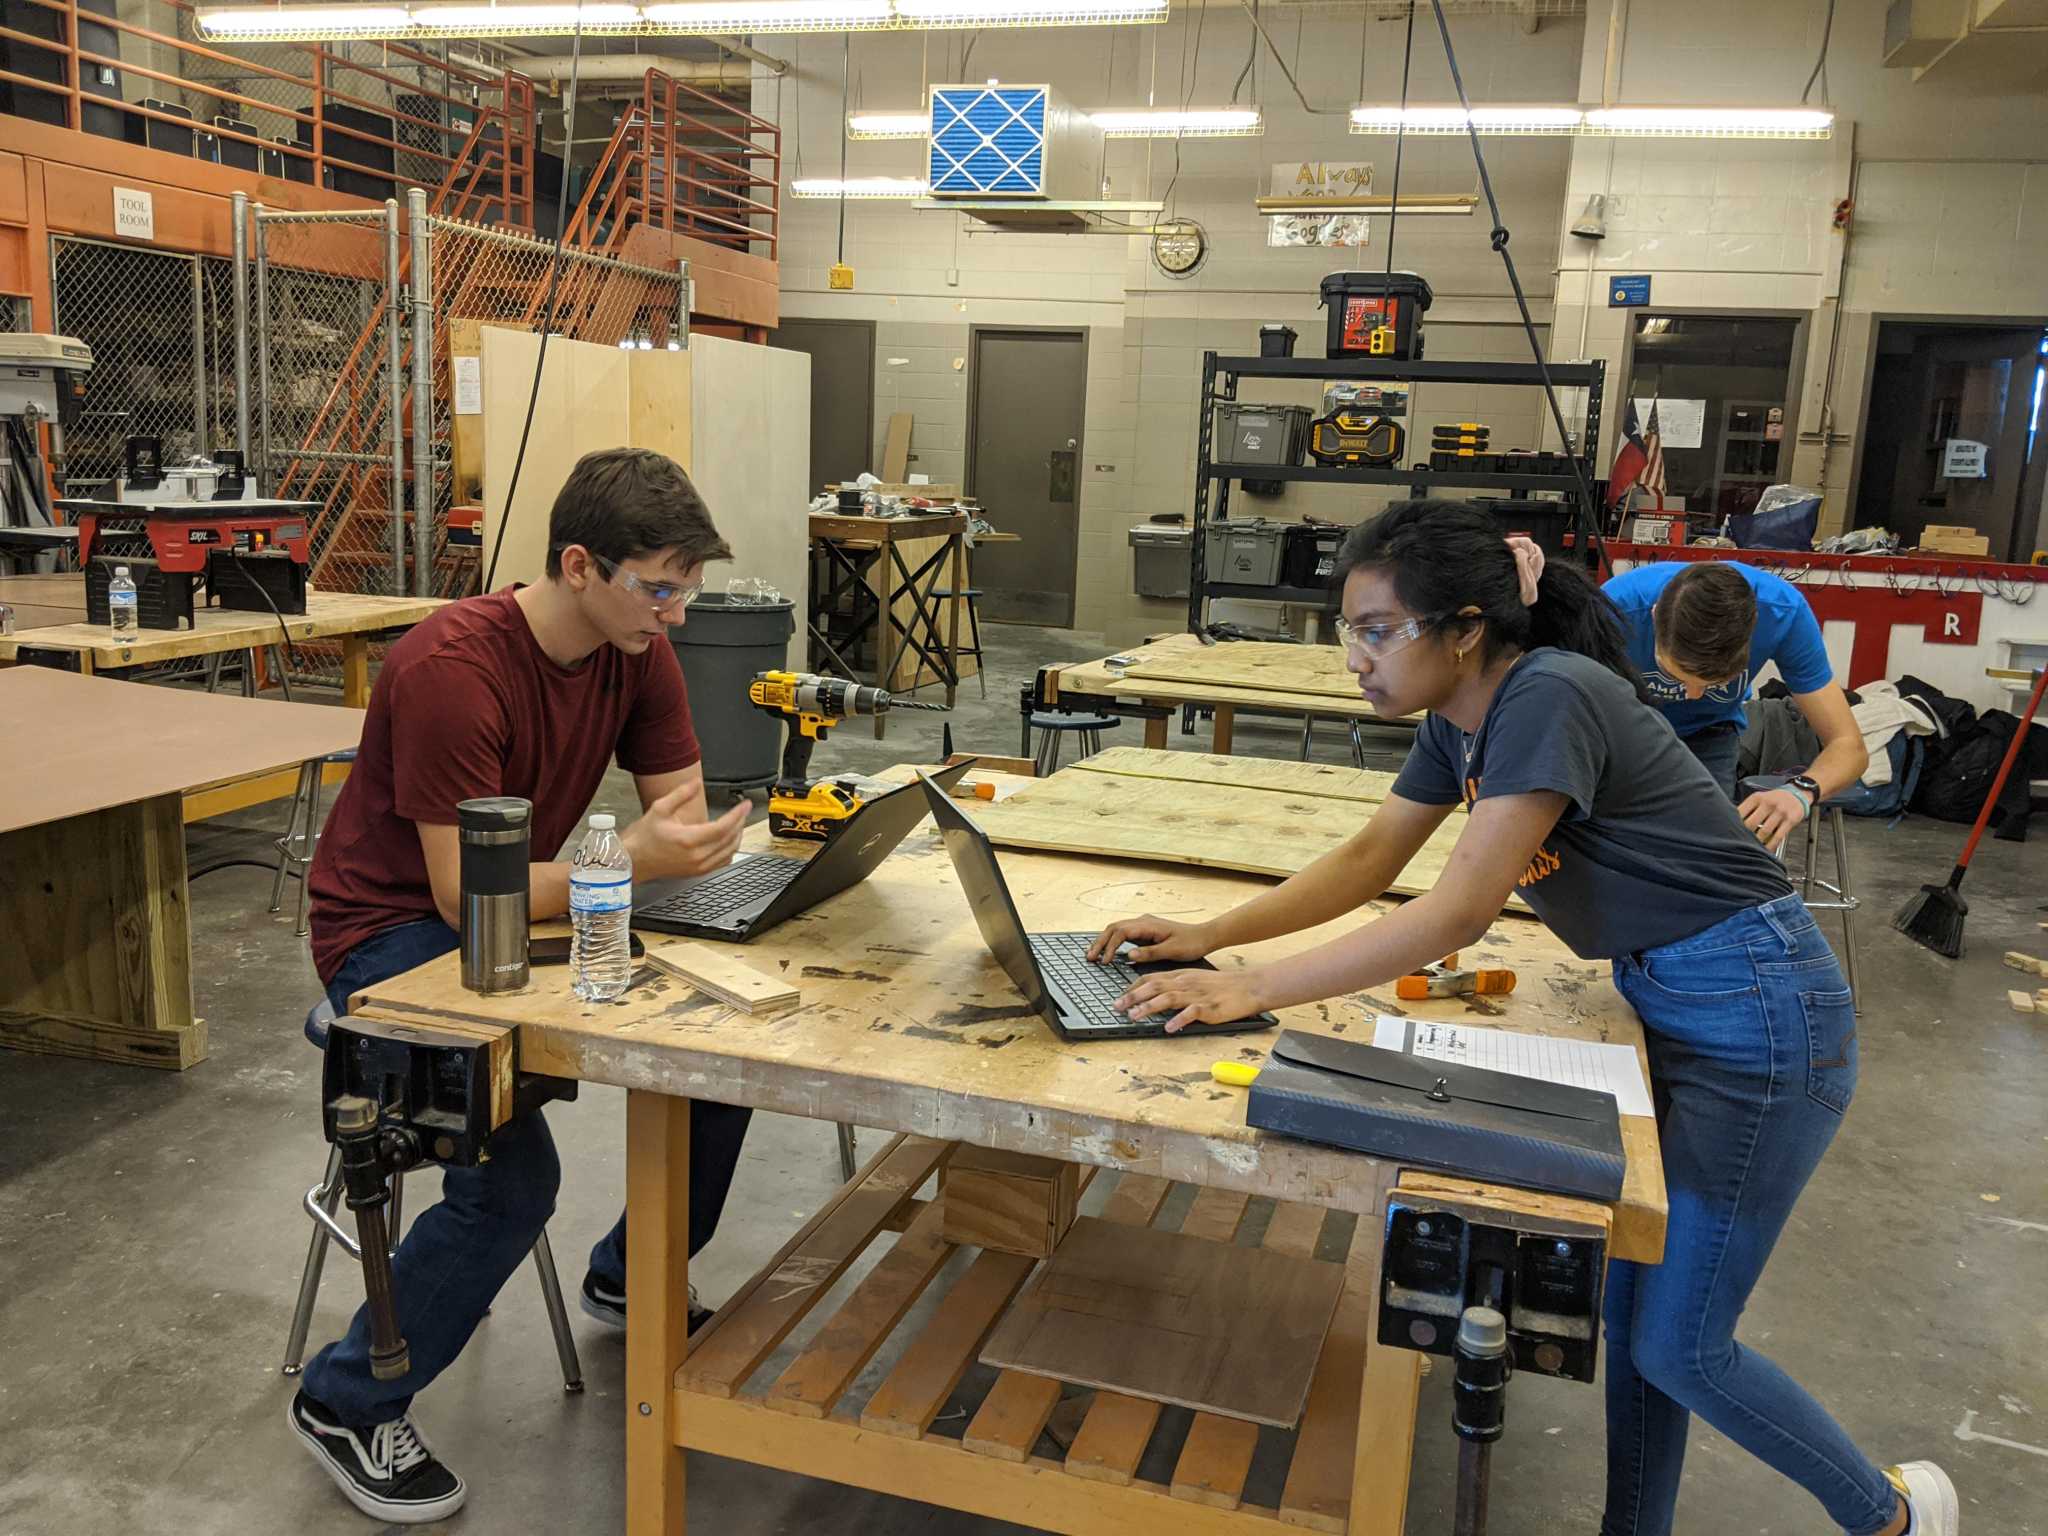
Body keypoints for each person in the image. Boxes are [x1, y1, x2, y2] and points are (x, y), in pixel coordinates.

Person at [1086, 501, 1956, 1536]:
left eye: (1375, 631)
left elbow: (1452, 910)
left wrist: (1254, 986)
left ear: (1461, 629)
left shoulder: (1546, 693)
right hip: (1681, 993)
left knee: (1680, 1345)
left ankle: (1891, 1515)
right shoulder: (1459, 721)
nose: (1352, 657)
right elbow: (1369, 862)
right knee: (1638, 1315)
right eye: (1345, 631)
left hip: (1759, 1014)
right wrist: (1206, 932)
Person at [291, 447, 754, 1525]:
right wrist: (632, 861)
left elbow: (671, 818)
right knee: (509, 1181)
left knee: (730, 1061)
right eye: (658, 586)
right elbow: (461, 898)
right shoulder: (452, 667)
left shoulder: (632, 645)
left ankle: (631, 1274)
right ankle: (346, 1399)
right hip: (392, 934)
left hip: (527, 904)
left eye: (686, 587)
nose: (676, 613)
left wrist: (682, 854)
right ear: (578, 564)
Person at [1603, 559, 1867, 849]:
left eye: (1713, 684)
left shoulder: (1782, 612)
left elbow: (1848, 746)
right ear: (1654, 617)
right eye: (1673, 673)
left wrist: (1800, 792)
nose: (1693, 696)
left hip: (1710, 731)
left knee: (1703, 850)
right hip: (1621, 730)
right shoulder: (1614, 609)